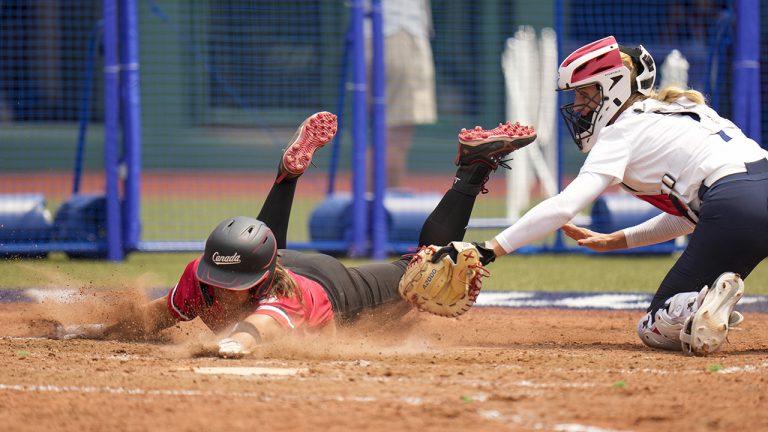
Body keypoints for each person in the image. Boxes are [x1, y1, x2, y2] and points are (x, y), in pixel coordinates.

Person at [66, 111, 535, 358]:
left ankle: (473, 170)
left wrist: (232, 344)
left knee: (421, 266)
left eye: (236, 288)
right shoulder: (205, 276)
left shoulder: (287, 294)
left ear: (260, 282)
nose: (222, 296)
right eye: (218, 284)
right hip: (276, 257)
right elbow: (156, 315)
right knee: (263, 243)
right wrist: (96, 331)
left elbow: (257, 327)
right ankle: (285, 177)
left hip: (335, 288)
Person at [458, 35, 768, 355]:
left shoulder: (621, 131)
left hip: (733, 205)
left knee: (653, 325)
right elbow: (695, 215)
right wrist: (617, 240)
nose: (577, 106)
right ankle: (706, 302)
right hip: (743, 193)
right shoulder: (681, 106)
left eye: (583, 93)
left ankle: (697, 304)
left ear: (613, 87)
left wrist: (488, 250)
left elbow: (565, 206)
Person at [367, 0, 437, 188]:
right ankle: (384, 207)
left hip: (386, 32)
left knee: (388, 133)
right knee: (395, 134)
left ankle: (369, 209)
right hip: (398, 32)